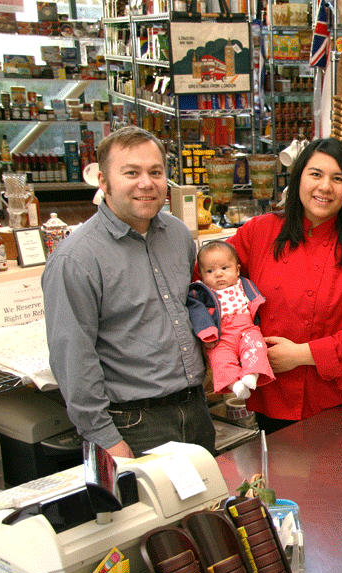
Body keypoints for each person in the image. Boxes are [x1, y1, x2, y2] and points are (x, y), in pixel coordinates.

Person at [43, 126, 215, 458]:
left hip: (195, 410)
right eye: (131, 173)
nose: (146, 183)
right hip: (132, 425)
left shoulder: (178, 235)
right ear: (104, 182)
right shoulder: (76, 258)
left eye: (155, 172)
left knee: (204, 511)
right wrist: (104, 438)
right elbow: (73, 357)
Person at [227, 138, 342, 432]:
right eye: (315, 174)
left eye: (337, 179)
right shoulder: (259, 232)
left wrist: (302, 355)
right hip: (269, 395)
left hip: (338, 402)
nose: (325, 187)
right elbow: (213, 279)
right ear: (298, 177)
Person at [187, 241, 274, 400]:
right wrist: (206, 332)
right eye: (210, 271)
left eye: (224, 268)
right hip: (221, 335)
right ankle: (235, 385)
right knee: (219, 359)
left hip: (246, 329)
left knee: (256, 347)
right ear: (201, 274)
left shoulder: (244, 283)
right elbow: (197, 312)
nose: (218, 274)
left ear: (237, 269)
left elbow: (256, 301)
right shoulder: (201, 291)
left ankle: (252, 375)